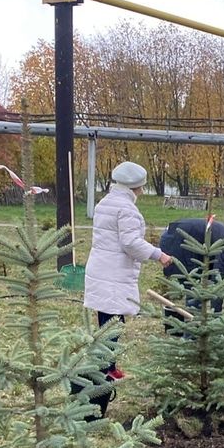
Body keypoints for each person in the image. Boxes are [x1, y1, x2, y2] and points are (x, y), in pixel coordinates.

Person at [83, 161, 173, 380]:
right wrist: (158, 254)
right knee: (113, 323)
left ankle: (107, 366)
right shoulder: (126, 208)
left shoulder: (106, 202)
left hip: (102, 269)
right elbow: (130, 242)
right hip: (113, 273)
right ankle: (106, 370)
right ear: (137, 187)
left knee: (107, 320)